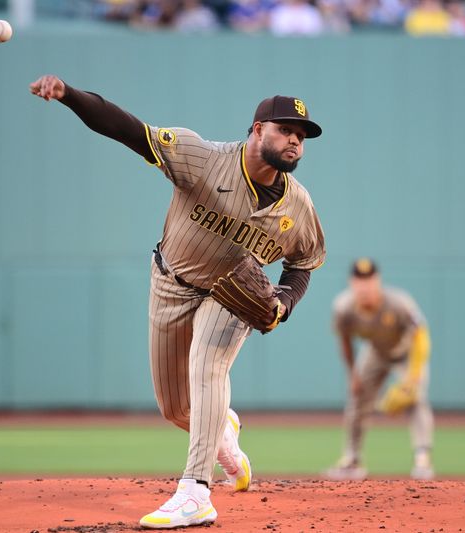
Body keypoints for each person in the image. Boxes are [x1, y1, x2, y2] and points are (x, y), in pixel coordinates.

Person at [29, 76, 326, 528]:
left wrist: (285, 301)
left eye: (301, 136)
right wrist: (69, 95)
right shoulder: (203, 158)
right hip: (171, 283)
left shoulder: (298, 207)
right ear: (257, 128)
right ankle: (223, 434)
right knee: (174, 407)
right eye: (286, 130)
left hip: (231, 293)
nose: (294, 141)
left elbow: (303, 264)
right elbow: (127, 129)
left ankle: (195, 492)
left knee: (208, 366)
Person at [325, 258, 435, 481]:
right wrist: (352, 375)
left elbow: (421, 337)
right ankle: (352, 460)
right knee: (356, 400)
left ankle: (422, 460)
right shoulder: (343, 308)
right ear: (351, 283)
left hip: (406, 352)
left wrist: (414, 377)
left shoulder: (399, 302)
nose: (364, 286)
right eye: (359, 280)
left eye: (369, 280)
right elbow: (345, 341)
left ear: (378, 281)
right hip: (376, 353)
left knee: (416, 398)